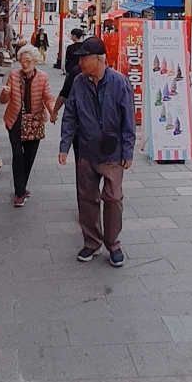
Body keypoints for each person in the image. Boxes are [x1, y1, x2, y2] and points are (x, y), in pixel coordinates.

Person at [58, 36, 135, 266]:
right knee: (86, 198)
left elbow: (128, 119)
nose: (80, 63)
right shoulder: (79, 82)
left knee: (113, 198)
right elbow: (70, 114)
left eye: (84, 58)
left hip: (113, 152)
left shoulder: (119, 83)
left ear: (99, 60)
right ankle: (91, 242)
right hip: (87, 150)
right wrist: (64, 146)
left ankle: (113, 244)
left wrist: (128, 151)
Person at [0, 44, 56, 206]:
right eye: (22, 60)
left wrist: (53, 111)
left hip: (34, 122)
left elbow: (48, 98)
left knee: (28, 158)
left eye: (28, 60)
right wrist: (4, 93)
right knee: (17, 155)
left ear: (35, 61)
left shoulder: (43, 77)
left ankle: (22, 186)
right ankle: (19, 193)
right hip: (15, 121)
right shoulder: (13, 75)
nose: (25, 63)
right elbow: (3, 101)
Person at [54, 27, 86, 113]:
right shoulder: (84, 47)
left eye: (72, 35)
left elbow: (67, 59)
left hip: (71, 71)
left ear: (74, 36)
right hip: (82, 71)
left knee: (67, 89)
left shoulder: (70, 47)